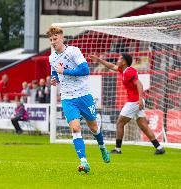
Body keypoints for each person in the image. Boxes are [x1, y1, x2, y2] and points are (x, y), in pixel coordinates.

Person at [47, 26, 110, 174]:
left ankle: (102, 147)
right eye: (51, 40)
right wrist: (54, 79)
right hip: (67, 97)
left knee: (94, 127)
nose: (53, 42)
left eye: (55, 39)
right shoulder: (52, 57)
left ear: (62, 38)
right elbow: (55, 72)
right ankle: (84, 161)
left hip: (83, 95)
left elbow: (85, 70)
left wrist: (65, 72)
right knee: (75, 128)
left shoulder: (73, 51)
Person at [90, 54, 165, 155]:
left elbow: (139, 84)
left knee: (120, 123)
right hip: (136, 102)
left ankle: (118, 149)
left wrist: (139, 99)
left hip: (134, 102)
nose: (118, 60)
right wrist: (99, 60)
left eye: (120, 58)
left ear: (124, 62)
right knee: (143, 126)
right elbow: (111, 66)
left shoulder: (129, 71)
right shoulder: (124, 70)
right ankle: (159, 147)